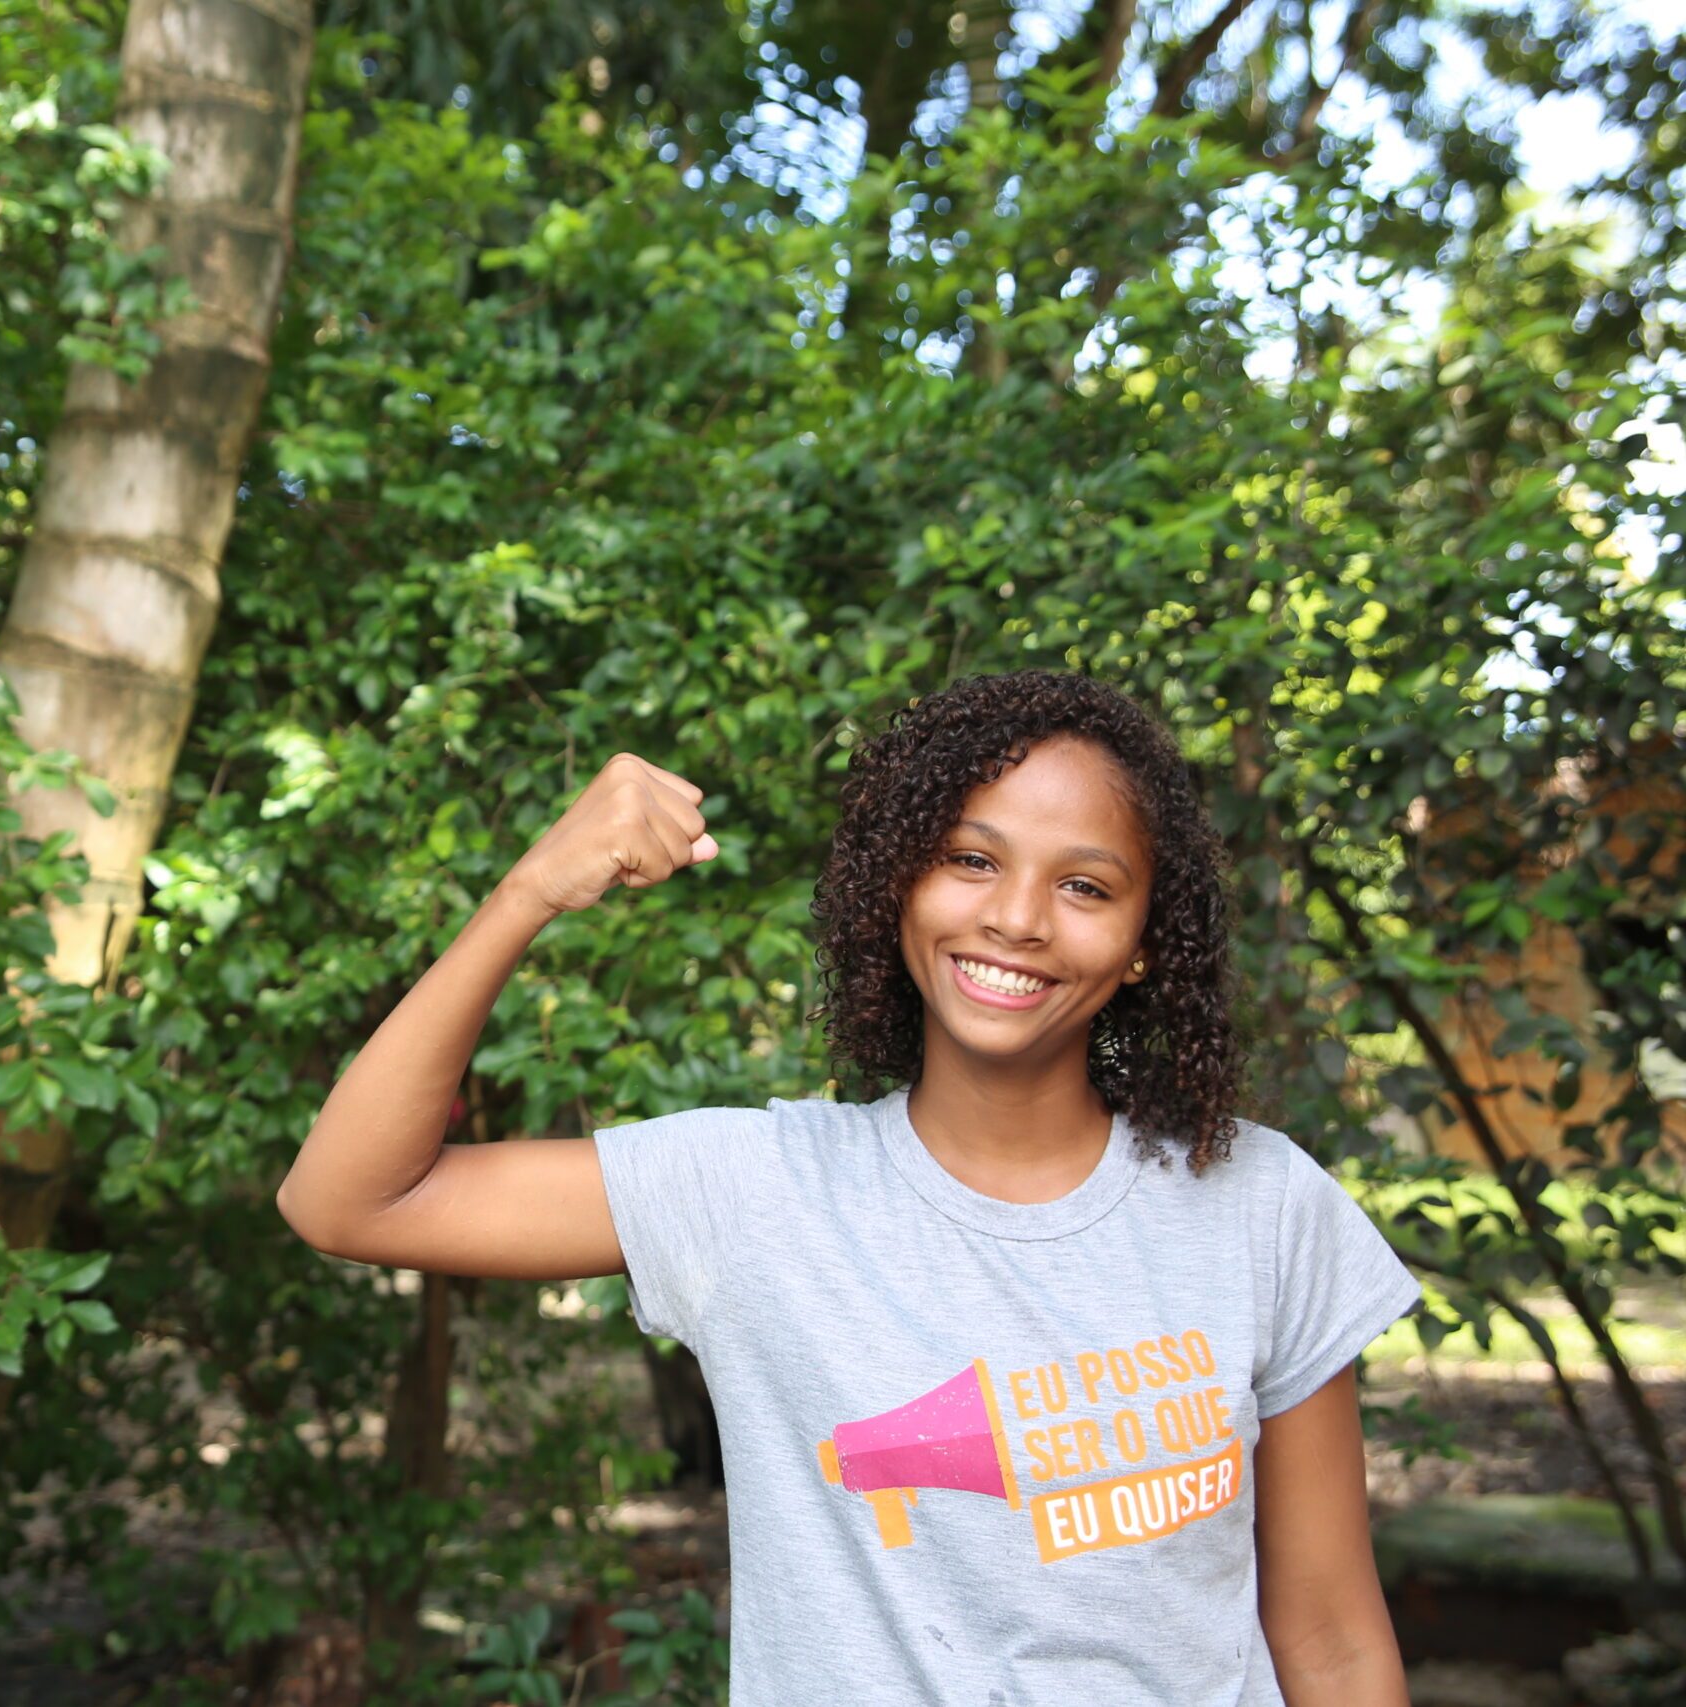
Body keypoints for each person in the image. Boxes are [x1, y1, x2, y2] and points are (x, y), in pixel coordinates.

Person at [275, 669, 1419, 1706]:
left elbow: (1328, 1640)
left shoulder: (1261, 1205)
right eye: (971, 860)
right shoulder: (754, 1194)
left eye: (1084, 885)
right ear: (898, 884)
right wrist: (529, 890)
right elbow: (348, 1201)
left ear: (1143, 946)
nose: (1015, 917)